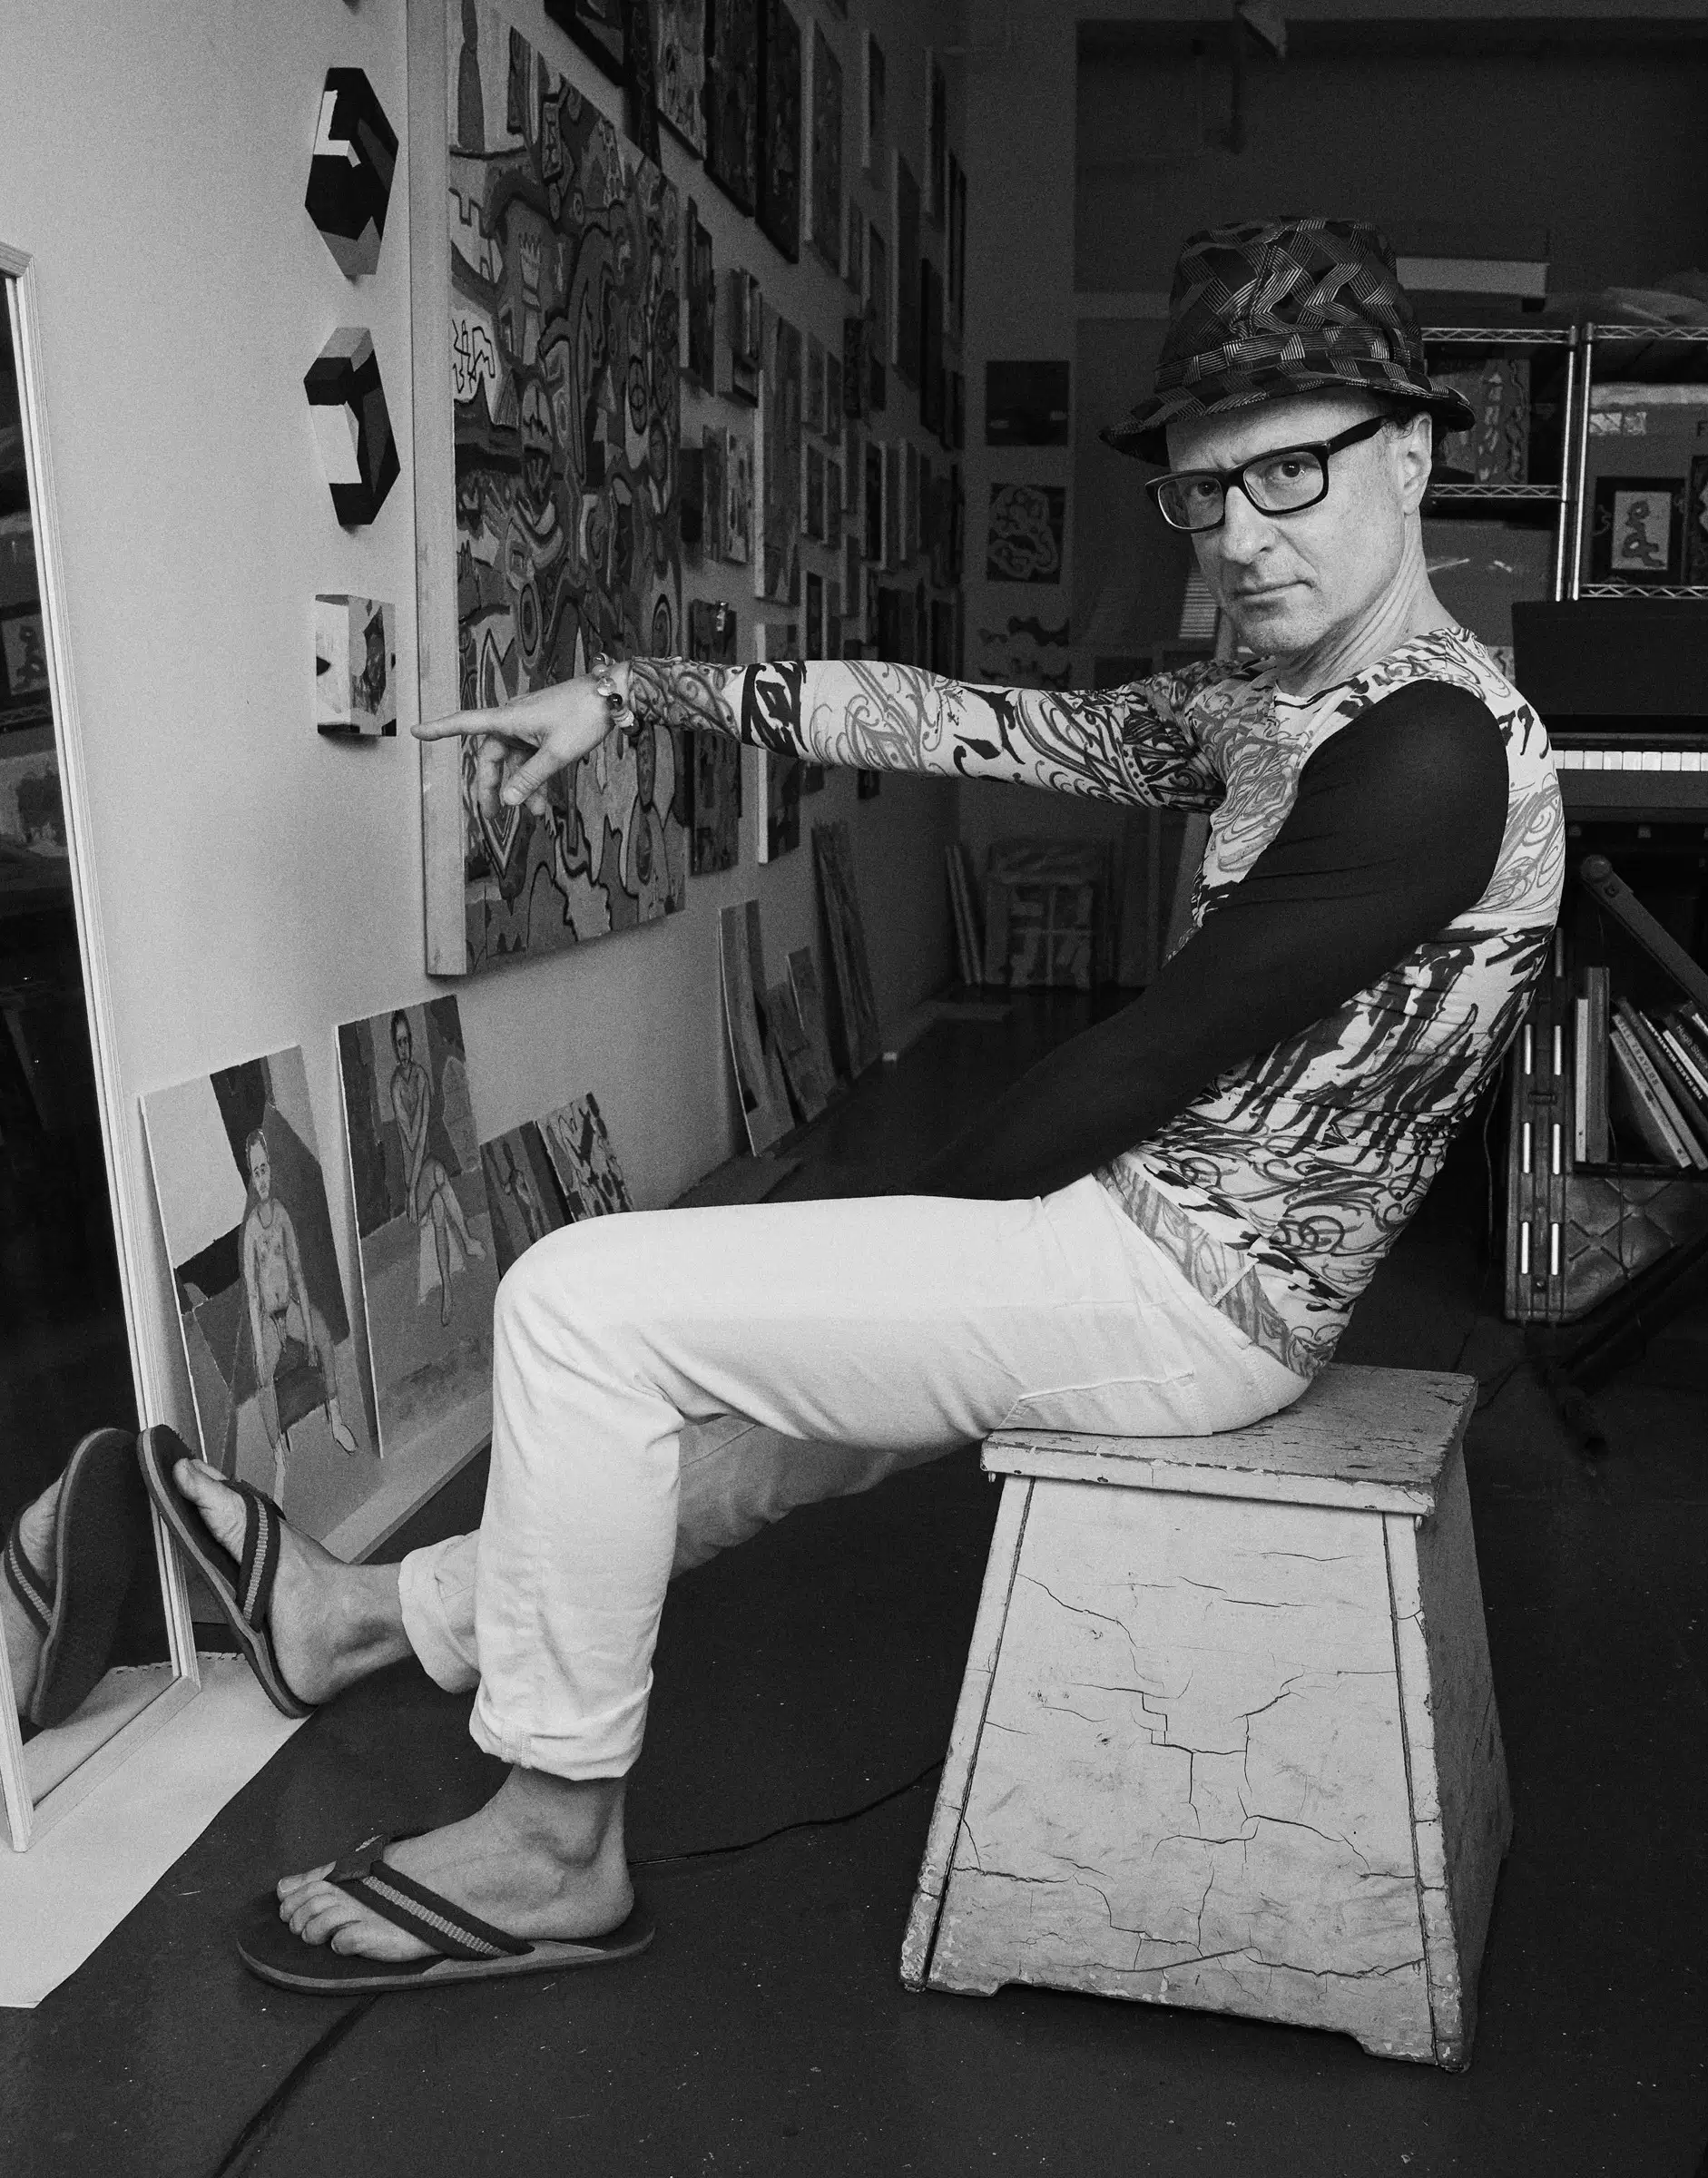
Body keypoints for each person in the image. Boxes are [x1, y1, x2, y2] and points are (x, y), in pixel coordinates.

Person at [166, 217, 1565, 1988]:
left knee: (581, 1306)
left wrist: (896, 1245)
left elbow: (1153, 1053)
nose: (1241, 535)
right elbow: (962, 723)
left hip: (1194, 1292)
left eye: (1291, 472)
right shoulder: (1278, 703)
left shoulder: (1433, 748)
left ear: (1414, 452)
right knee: (752, 1444)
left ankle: (550, 1845)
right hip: (1143, 1250)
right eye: (1205, 492)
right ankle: (358, 1618)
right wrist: (633, 690)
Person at [240, 1126, 360, 1495]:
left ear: (271, 1169)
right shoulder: (250, 1231)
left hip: (290, 1309)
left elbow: (298, 1274)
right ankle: (279, 1457)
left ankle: (335, 1418)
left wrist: (307, 1329)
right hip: (268, 1319)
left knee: (323, 1338)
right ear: (251, 1177)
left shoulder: (282, 1216)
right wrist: (260, 1349)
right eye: (256, 1172)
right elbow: (253, 1296)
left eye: (265, 1169)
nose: (262, 1178)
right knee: (263, 1379)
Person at [389, 1008, 486, 1328]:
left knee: (441, 1215)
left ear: (412, 1042)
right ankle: (467, 1239)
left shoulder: (422, 1077)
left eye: (407, 1041)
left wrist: (418, 1117)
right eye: (398, 1043)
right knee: (438, 1173)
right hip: (414, 1182)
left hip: (425, 1170)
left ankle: (448, 1289)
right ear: (394, 1047)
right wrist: (409, 1192)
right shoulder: (396, 1085)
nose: (404, 1048)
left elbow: (420, 1134)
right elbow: (410, 1138)